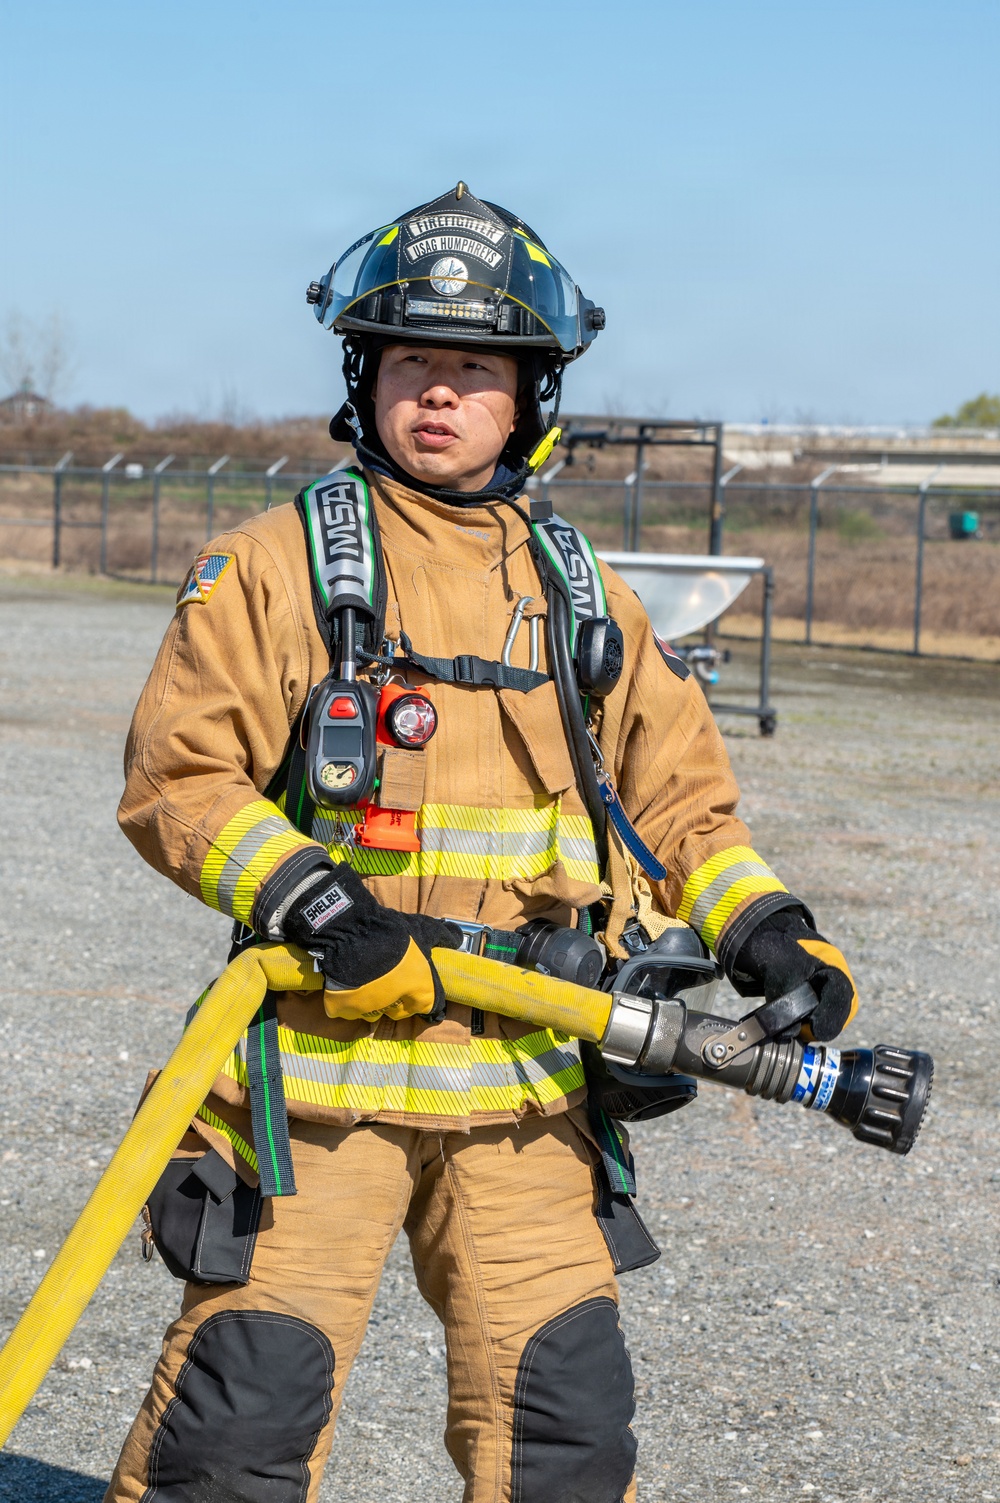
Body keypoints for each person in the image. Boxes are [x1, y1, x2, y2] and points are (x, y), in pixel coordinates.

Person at [106, 183, 858, 1503]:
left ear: (530, 399)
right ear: (365, 378)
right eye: (412, 361)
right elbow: (181, 780)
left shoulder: (582, 592)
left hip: (526, 1084)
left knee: (563, 1431)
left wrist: (769, 931)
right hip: (318, 1080)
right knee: (237, 1424)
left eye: (476, 369)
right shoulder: (275, 566)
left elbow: (681, 800)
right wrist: (318, 906)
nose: (439, 393)